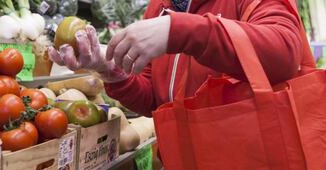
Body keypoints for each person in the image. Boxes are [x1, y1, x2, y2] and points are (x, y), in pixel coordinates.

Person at [48, 0, 303, 117]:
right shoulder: (159, 7)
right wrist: (109, 69)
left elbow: (285, 52)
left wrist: (178, 31)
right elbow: (154, 101)